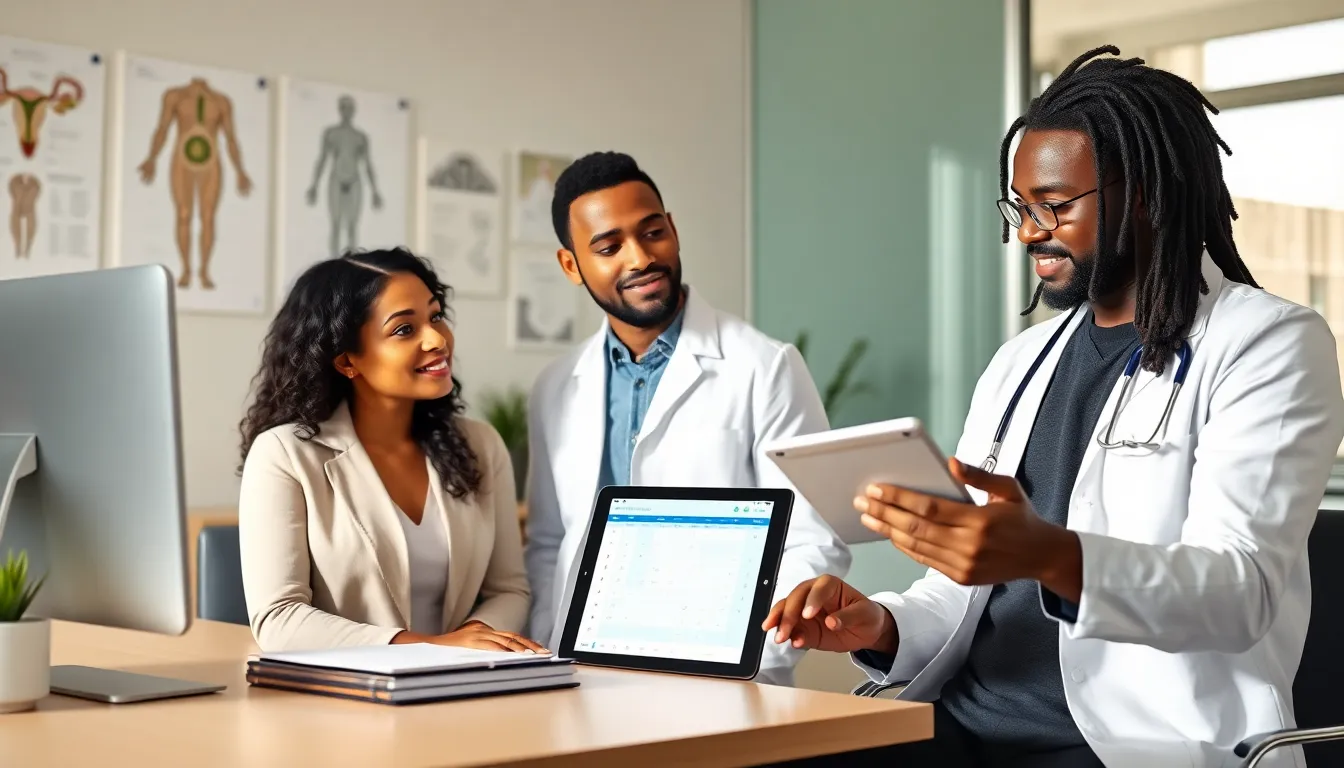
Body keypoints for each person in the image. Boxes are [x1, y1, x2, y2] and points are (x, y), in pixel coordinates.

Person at [765, 46, 1344, 767]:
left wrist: (1051, 555)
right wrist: (879, 625)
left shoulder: (1269, 343)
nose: (1028, 231)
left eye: (1055, 206)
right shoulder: (1021, 362)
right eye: (1021, 207)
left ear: (1149, 194)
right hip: (964, 724)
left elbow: (1238, 590)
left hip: (1125, 743)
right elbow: (959, 593)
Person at [524, 151, 851, 686]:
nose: (639, 259)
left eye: (652, 233)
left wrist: (751, 662)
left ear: (672, 230)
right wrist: (551, 651)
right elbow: (546, 542)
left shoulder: (764, 366)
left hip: (723, 676)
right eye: (609, 247)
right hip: (581, 673)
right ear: (571, 265)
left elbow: (811, 538)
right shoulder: (555, 387)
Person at [237, 247, 544, 654]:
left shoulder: (481, 445)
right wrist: (432, 649)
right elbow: (279, 617)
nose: (437, 339)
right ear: (347, 361)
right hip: (345, 700)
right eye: (404, 330)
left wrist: (475, 643)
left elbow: (509, 589)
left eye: (435, 317)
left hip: (466, 687)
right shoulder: (284, 454)